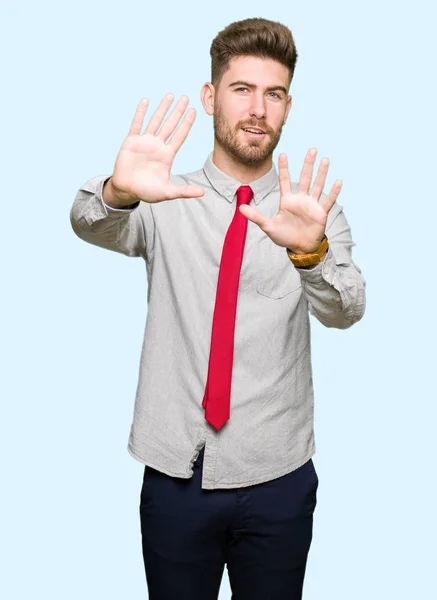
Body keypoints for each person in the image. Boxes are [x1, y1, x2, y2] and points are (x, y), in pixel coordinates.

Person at [70, 17, 366, 600]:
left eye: (273, 94)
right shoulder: (162, 196)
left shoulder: (310, 213)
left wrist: (310, 253)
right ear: (211, 97)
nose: (257, 109)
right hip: (176, 473)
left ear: (286, 106)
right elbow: (87, 221)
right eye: (242, 89)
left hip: (279, 477)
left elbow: (347, 308)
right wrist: (120, 191)